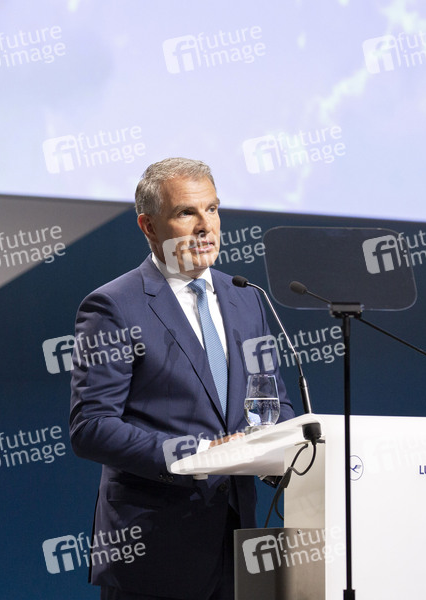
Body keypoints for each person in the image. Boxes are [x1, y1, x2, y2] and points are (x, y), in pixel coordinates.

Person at [69, 157, 295, 599]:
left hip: (238, 543)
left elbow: (274, 404)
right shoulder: (114, 306)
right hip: (153, 549)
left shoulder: (246, 298)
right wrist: (200, 455)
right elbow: (91, 427)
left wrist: (276, 449)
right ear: (149, 226)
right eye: (186, 212)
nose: (205, 226)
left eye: (212, 209)